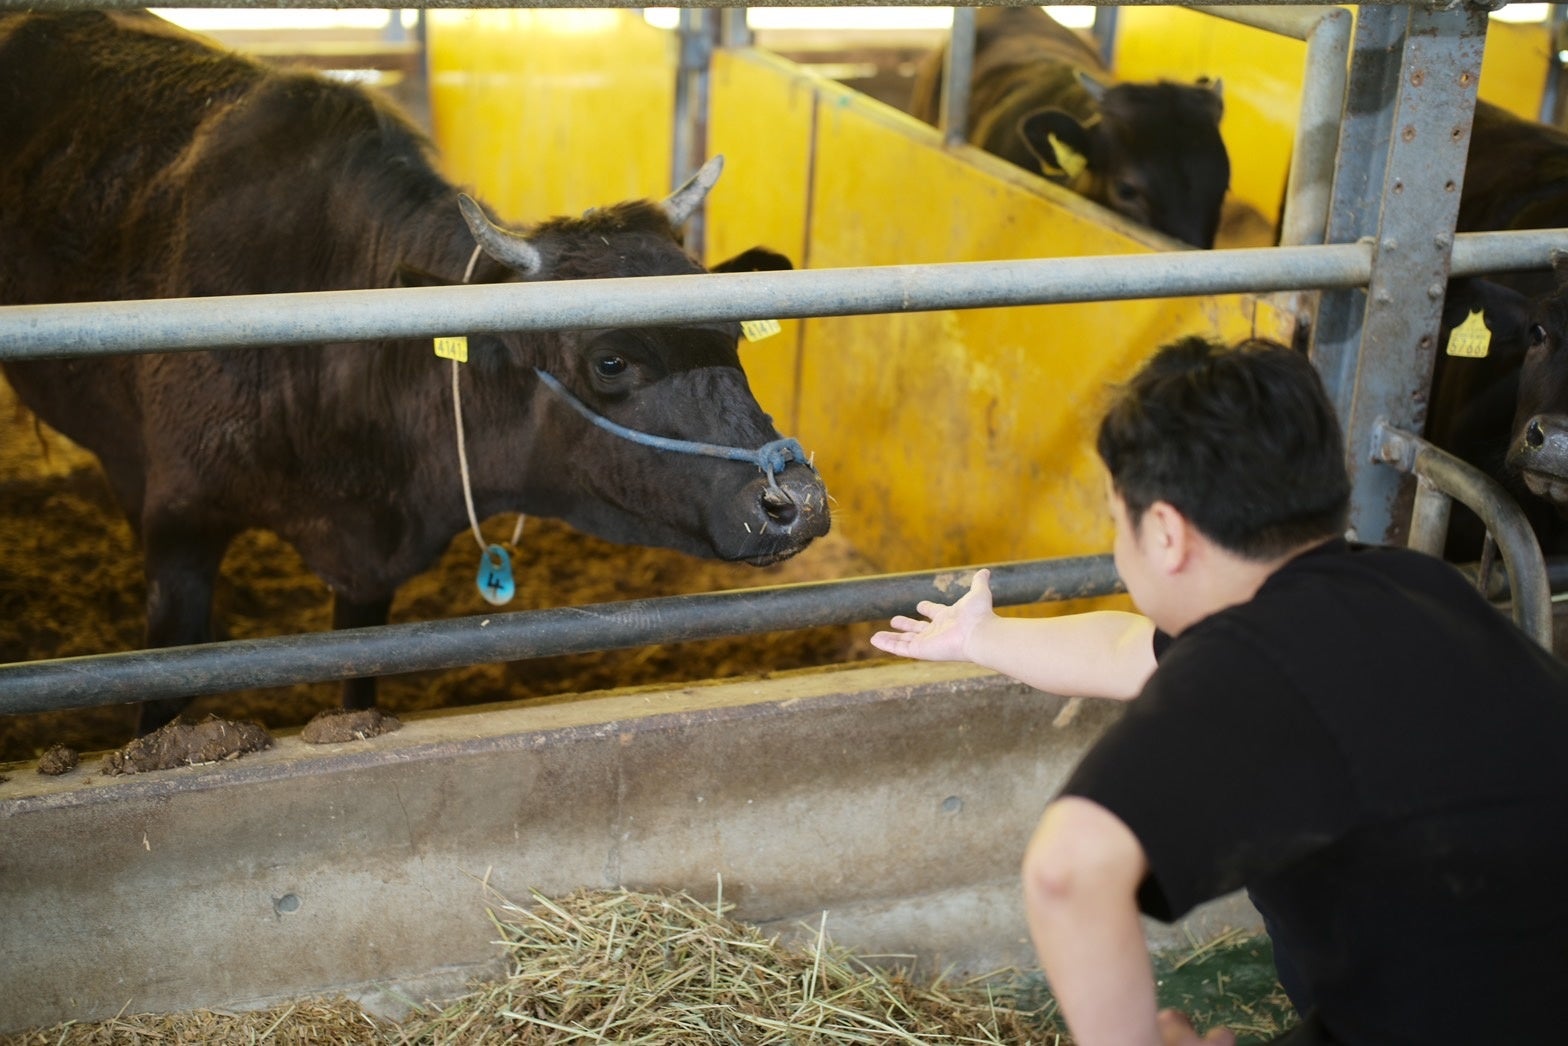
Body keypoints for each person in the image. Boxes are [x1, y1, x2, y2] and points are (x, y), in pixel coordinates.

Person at [871, 335, 1568, 1046]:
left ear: (1166, 534)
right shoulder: (1408, 586)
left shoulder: (1258, 656)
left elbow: (1066, 871)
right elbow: (1128, 651)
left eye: (1117, 521)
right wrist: (980, 638)